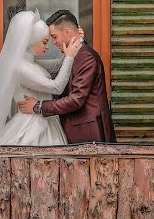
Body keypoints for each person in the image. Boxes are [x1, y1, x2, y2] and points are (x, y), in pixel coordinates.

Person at [0, 9, 81, 146]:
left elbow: (57, 66)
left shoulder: (29, 61)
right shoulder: (20, 68)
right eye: (44, 42)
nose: (47, 46)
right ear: (31, 41)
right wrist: (69, 57)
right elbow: (56, 87)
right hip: (31, 126)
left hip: (44, 121)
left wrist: (77, 41)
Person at [18, 9, 116, 144]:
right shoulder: (76, 54)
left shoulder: (86, 57)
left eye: (54, 37)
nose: (53, 43)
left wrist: (39, 106)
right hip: (78, 131)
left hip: (88, 133)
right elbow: (55, 66)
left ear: (67, 32)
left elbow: (77, 99)